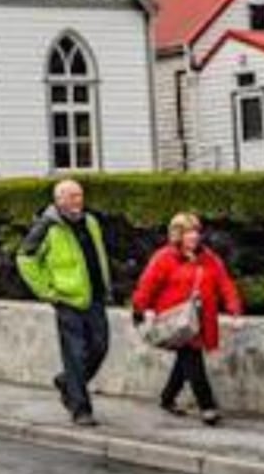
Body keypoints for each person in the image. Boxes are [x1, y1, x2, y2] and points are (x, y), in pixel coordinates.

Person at [16, 178, 117, 427]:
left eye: (79, 196)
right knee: (75, 353)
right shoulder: (46, 226)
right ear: (58, 200)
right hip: (67, 300)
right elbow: (24, 258)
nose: (77, 201)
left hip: (94, 297)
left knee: (100, 348)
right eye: (71, 196)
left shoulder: (91, 222)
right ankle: (80, 409)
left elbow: (97, 255)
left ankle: (66, 382)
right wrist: (47, 292)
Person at [132, 213, 245, 425]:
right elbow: (147, 285)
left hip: (202, 318)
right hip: (177, 320)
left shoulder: (210, 258)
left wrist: (235, 310)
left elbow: (225, 285)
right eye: (188, 232)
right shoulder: (164, 257)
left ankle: (167, 397)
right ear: (177, 235)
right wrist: (141, 309)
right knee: (192, 357)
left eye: (196, 231)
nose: (194, 236)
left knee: (186, 359)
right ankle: (207, 406)